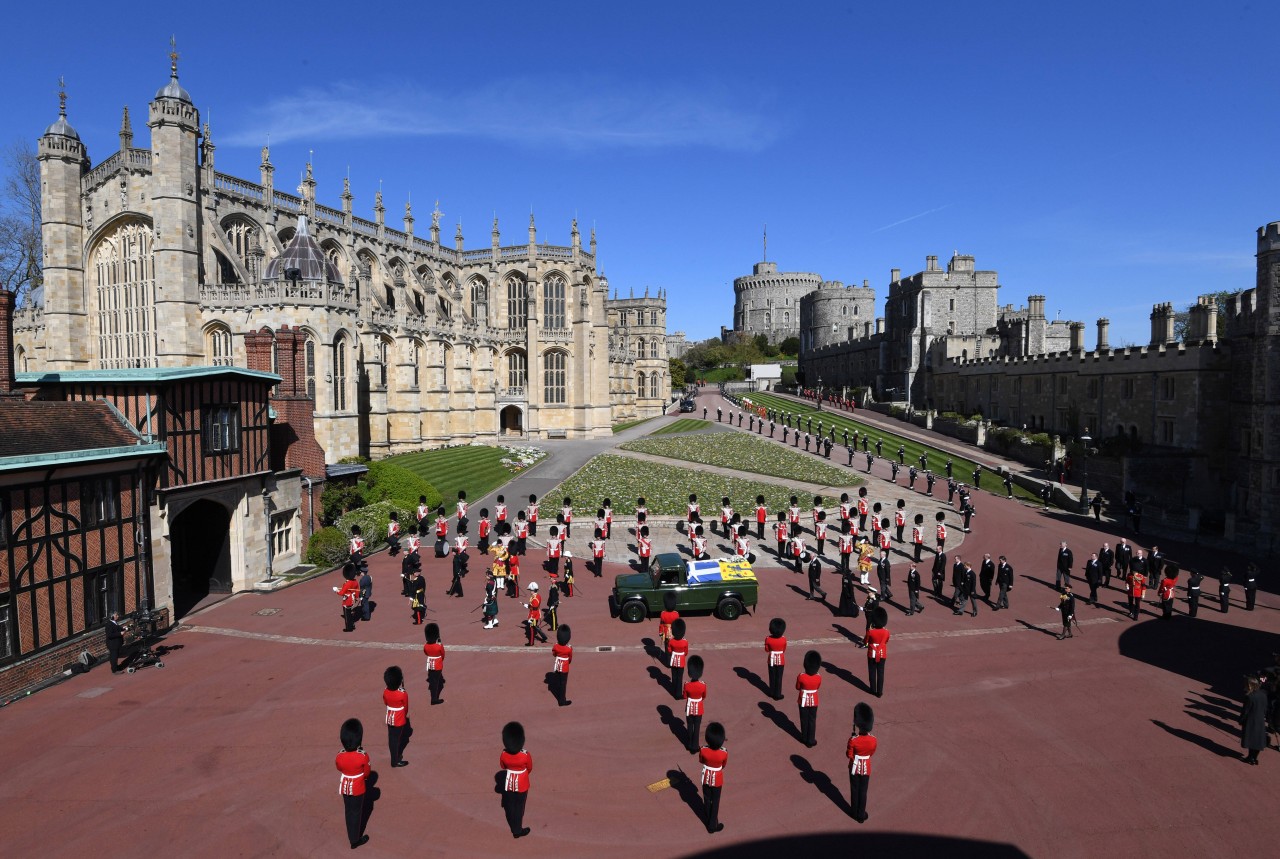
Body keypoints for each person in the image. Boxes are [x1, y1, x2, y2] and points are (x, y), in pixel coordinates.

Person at [336, 718, 371, 849]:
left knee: (348, 811)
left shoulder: (339, 755)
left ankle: (351, 835)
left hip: (345, 786)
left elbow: (339, 767)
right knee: (356, 812)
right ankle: (355, 840)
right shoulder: (362, 756)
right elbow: (366, 772)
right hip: (358, 787)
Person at [500, 721, 533, 838]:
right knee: (519, 807)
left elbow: (502, 766)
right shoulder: (525, 755)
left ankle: (515, 827)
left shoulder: (504, 754)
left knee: (510, 805)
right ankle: (517, 830)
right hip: (522, 782)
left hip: (509, 782)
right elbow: (529, 768)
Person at [847, 703, 877, 824]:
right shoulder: (873, 740)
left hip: (854, 766)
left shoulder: (853, 740)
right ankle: (861, 814)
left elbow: (849, 755)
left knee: (854, 789)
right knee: (863, 791)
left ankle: (854, 812)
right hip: (866, 767)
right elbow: (872, 752)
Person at [699, 722, 728, 834]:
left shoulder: (703, 750)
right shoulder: (723, 753)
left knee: (707, 799)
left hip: (706, 776)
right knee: (715, 802)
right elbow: (723, 765)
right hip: (717, 778)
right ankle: (712, 825)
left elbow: (701, 760)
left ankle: (708, 818)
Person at [383, 665, 410, 768]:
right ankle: (395, 760)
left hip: (390, 716)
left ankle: (394, 758)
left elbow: (385, 702)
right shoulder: (402, 694)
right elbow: (405, 707)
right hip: (399, 718)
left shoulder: (385, 691)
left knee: (391, 738)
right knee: (396, 739)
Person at [796, 650, 822, 748]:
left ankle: (804, 737)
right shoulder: (818, 677)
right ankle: (811, 739)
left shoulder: (801, 676)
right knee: (812, 720)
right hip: (814, 700)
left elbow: (798, 687)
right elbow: (818, 687)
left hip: (802, 699)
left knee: (804, 719)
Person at [1241, 675, 1268, 765]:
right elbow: (1265, 709)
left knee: (1251, 740)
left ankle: (1250, 757)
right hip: (1260, 720)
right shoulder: (1263, 695)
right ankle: (1254, 758)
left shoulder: (1249, 696)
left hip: (1251, 721)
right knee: (1257, 741)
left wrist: (1241, 720)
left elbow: (1245, 711)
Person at [684, 655, 708, 753]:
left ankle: (689, 744)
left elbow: (685, 696)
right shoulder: (703, 685)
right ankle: (695, 746)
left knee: (690, 726)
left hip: (689, 707)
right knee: (697, 727)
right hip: (699, 707)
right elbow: (704, 696)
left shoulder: (687, 685)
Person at [865, 607, 888, 697]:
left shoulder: (870, 631)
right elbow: (886, 641)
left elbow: (866, 641)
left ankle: (872, 689)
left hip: (872, 653)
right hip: (882, 653)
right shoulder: (886, 632)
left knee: (872, 671)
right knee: (880, 672)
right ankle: (879, 692)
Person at [550, 624, 573, 706]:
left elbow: (554, 654)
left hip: (557, 665)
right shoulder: (569, 648)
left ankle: (560, 697)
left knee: (558, 682)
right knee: (563, 684)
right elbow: (570, 658)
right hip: (565, 667)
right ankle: (562, 701)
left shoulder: (556, 646)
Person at [765, 618, 787, 701]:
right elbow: (784, 650)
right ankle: (777, 694)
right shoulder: (783, 639)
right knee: (779, 677)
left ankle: (771, 692)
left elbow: (767, 649)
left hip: (771, 659)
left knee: (772, 676)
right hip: (780, 659)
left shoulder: (768, 639)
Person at [423, 622, 445, 704]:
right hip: (438, 665)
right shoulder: (439, 645)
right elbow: (443, 654)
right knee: (436, 683)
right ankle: (434, 699)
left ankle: (433, 688)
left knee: (432, 678)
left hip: (430, 664)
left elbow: (425, 653)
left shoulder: (425, 646)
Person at [334, 564, 360, 633]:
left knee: (347, 615)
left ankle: (349, 628)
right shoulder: (355, 581)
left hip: (347, 600)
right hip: (352, 599)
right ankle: (352, 625)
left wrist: (336, 590)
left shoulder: (347, 583)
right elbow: (357, 590)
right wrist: (356, 597)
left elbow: (342, 593)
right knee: (351, 613)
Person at [668, 618, 689, 699]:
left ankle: (673, 690)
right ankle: (678, 694)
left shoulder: (671, 641)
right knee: (680, 677)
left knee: (674, 675)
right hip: (681, 660)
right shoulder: (685, 642)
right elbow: (686, 652)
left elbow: (669, 650)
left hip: (674, 659)